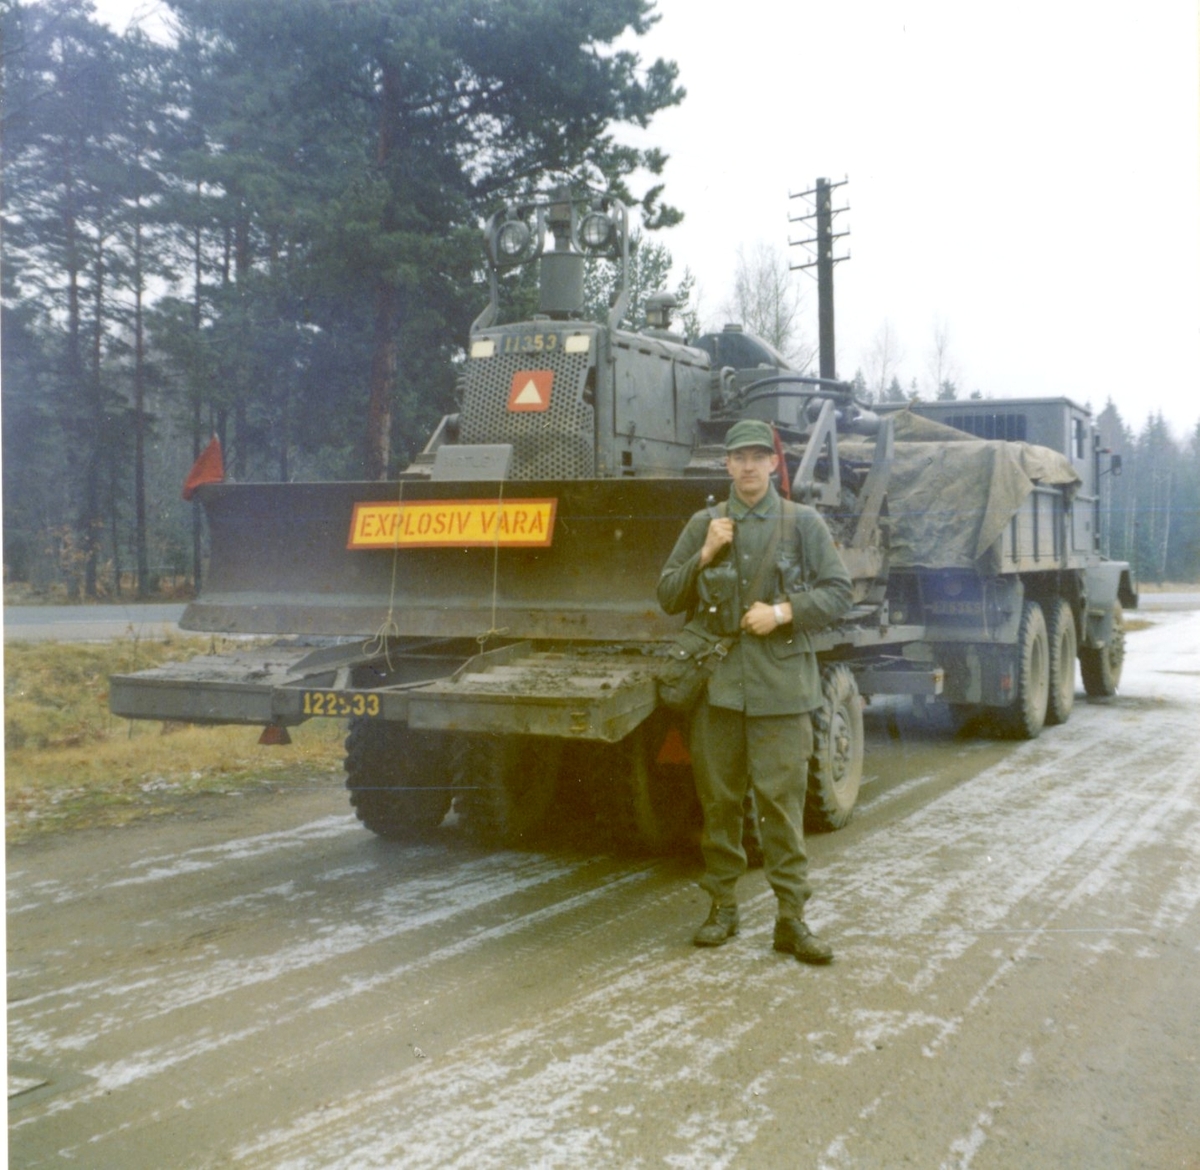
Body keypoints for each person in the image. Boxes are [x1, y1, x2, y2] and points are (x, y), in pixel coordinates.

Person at [657, 418, 853, 964]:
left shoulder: (801, 523)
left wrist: (783, 612)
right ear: (726, 465)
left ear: (773, 464)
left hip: (783, 690)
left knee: (781, 808)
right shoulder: (706, 523)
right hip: (718, 692)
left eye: (757, 456)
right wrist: (703, 556)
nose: (747, 465)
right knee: (719, 806)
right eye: (737, 457)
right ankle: (722, 908)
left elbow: (840, 591)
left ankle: (791, 920)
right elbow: (668, 596)